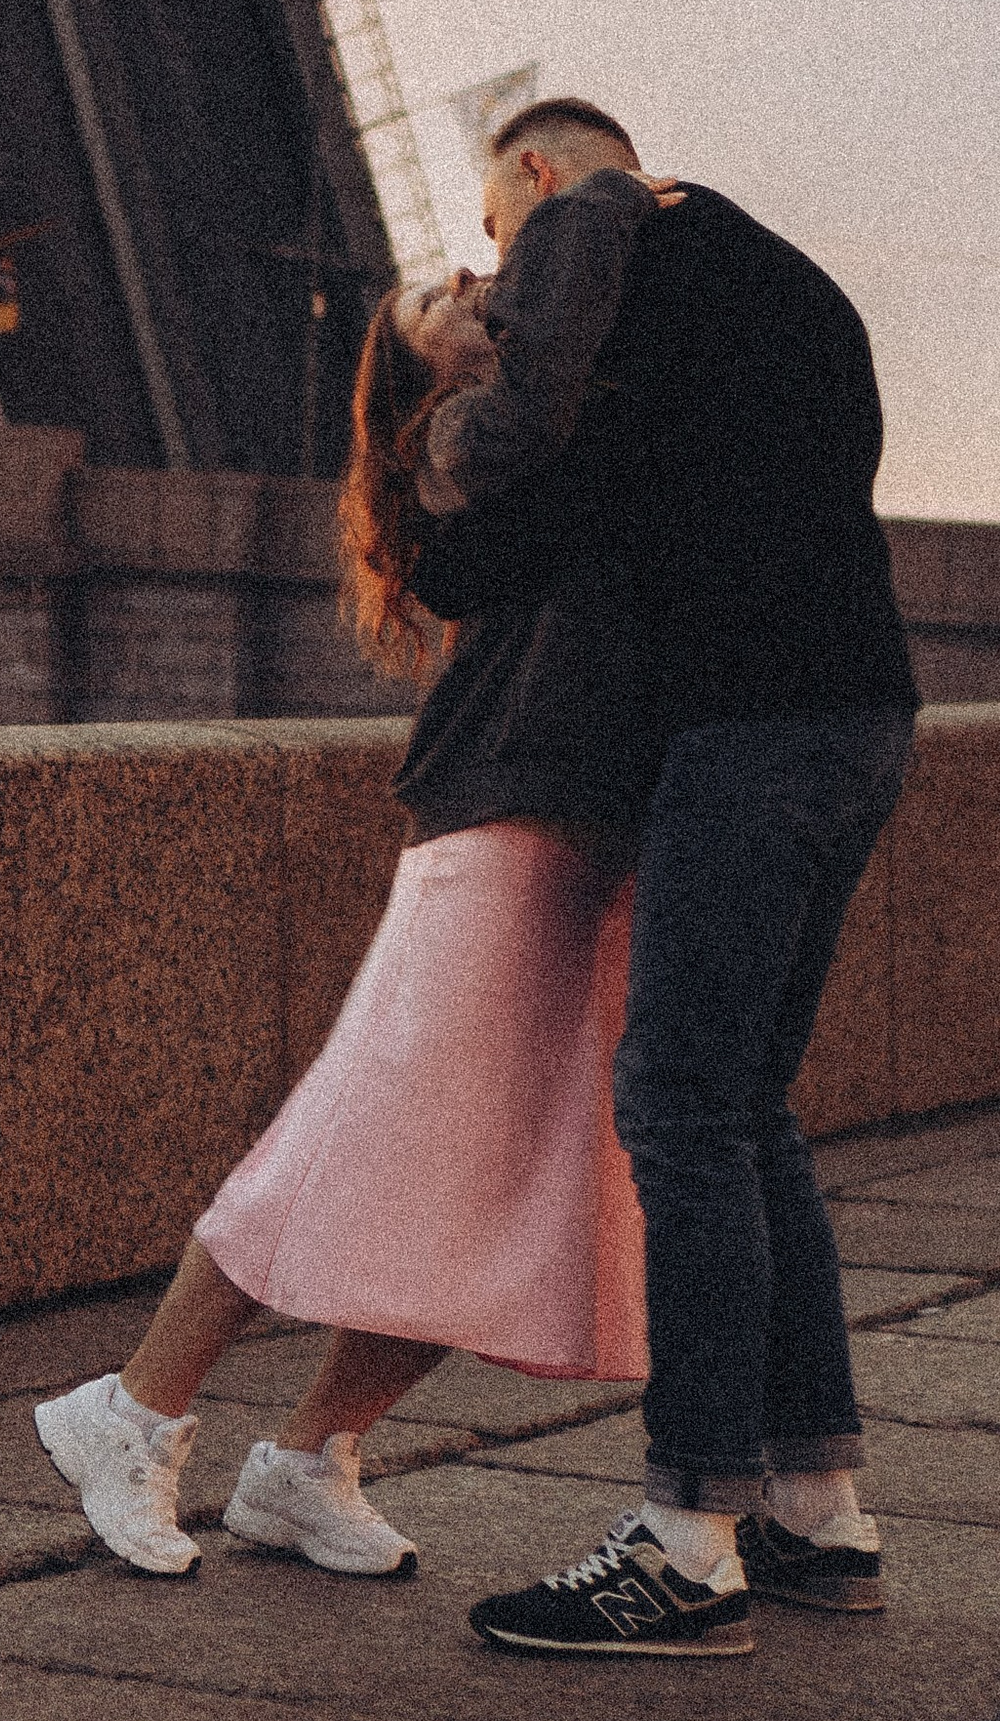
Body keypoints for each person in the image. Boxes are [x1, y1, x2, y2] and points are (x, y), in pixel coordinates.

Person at [34, 274, 659, 1579]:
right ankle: (129, 1414)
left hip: (583, 834)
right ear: (415, 372)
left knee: (493, 1191)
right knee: (343, 1144)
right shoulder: (461, 442)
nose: (476, 284)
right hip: (490, 830)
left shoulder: (563, 422)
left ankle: (305, 1461)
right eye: (441, 294)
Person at [422, 100, 919, 1661]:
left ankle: (687, 1541)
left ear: (539, 177)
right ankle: (816, 1514)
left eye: (497, 240)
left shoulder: (600, 220)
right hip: (857, 710)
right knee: (750, 1109)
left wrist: (449, 435)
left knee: (688, 1112)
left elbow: (530, 444)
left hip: (754, 726)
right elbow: (626, 489)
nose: (498, 282)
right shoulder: (774, 293)